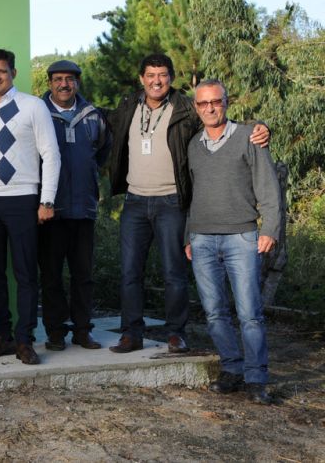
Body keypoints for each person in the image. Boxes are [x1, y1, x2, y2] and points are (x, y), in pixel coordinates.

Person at [107, 53, 270, 354]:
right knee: (130, 272)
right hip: (134, 202)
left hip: (171, 201)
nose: (157, 81)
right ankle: (131, 333)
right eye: (151, 75)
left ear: (171, 78)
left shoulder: (186, 108)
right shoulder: (128, 106)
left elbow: (220, 121)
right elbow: (102, 121)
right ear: (141, 78)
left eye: (163, 75)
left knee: (174, 272)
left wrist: (259, 127)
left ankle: (175, 333)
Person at [185, 79, 281, 405]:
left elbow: (268, 188)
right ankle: (232, 369)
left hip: (242, 236)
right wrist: (188, 234)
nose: (210, 108)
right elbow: (192, 196)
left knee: (250, 313)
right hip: (201, 238)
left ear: (226, 102)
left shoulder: (249, 137)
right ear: (196, 108)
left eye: (216, 101)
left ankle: (256, 378)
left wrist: (270, 229)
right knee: (214, 312)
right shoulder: (193, 145)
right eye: (203, 103)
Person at [0, 49, 61, 365]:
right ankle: (3, 336)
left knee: (25, 274)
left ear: (13, 73)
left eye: (2, 71)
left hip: (23, 199)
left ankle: (25, 339)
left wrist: (46, 200)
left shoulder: (32, 106)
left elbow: (51, 154)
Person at [38, 60, 111, 352]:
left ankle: (82, 331)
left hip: (83, 209)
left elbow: (102, 153)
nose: (64, 84)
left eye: (69, 79)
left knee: (83, 276)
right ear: (50, 83)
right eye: (58, 79)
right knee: (51, 275)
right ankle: (56, 332)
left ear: (77, 83)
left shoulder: (93, 115)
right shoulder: (38, 113)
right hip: (50, 211)